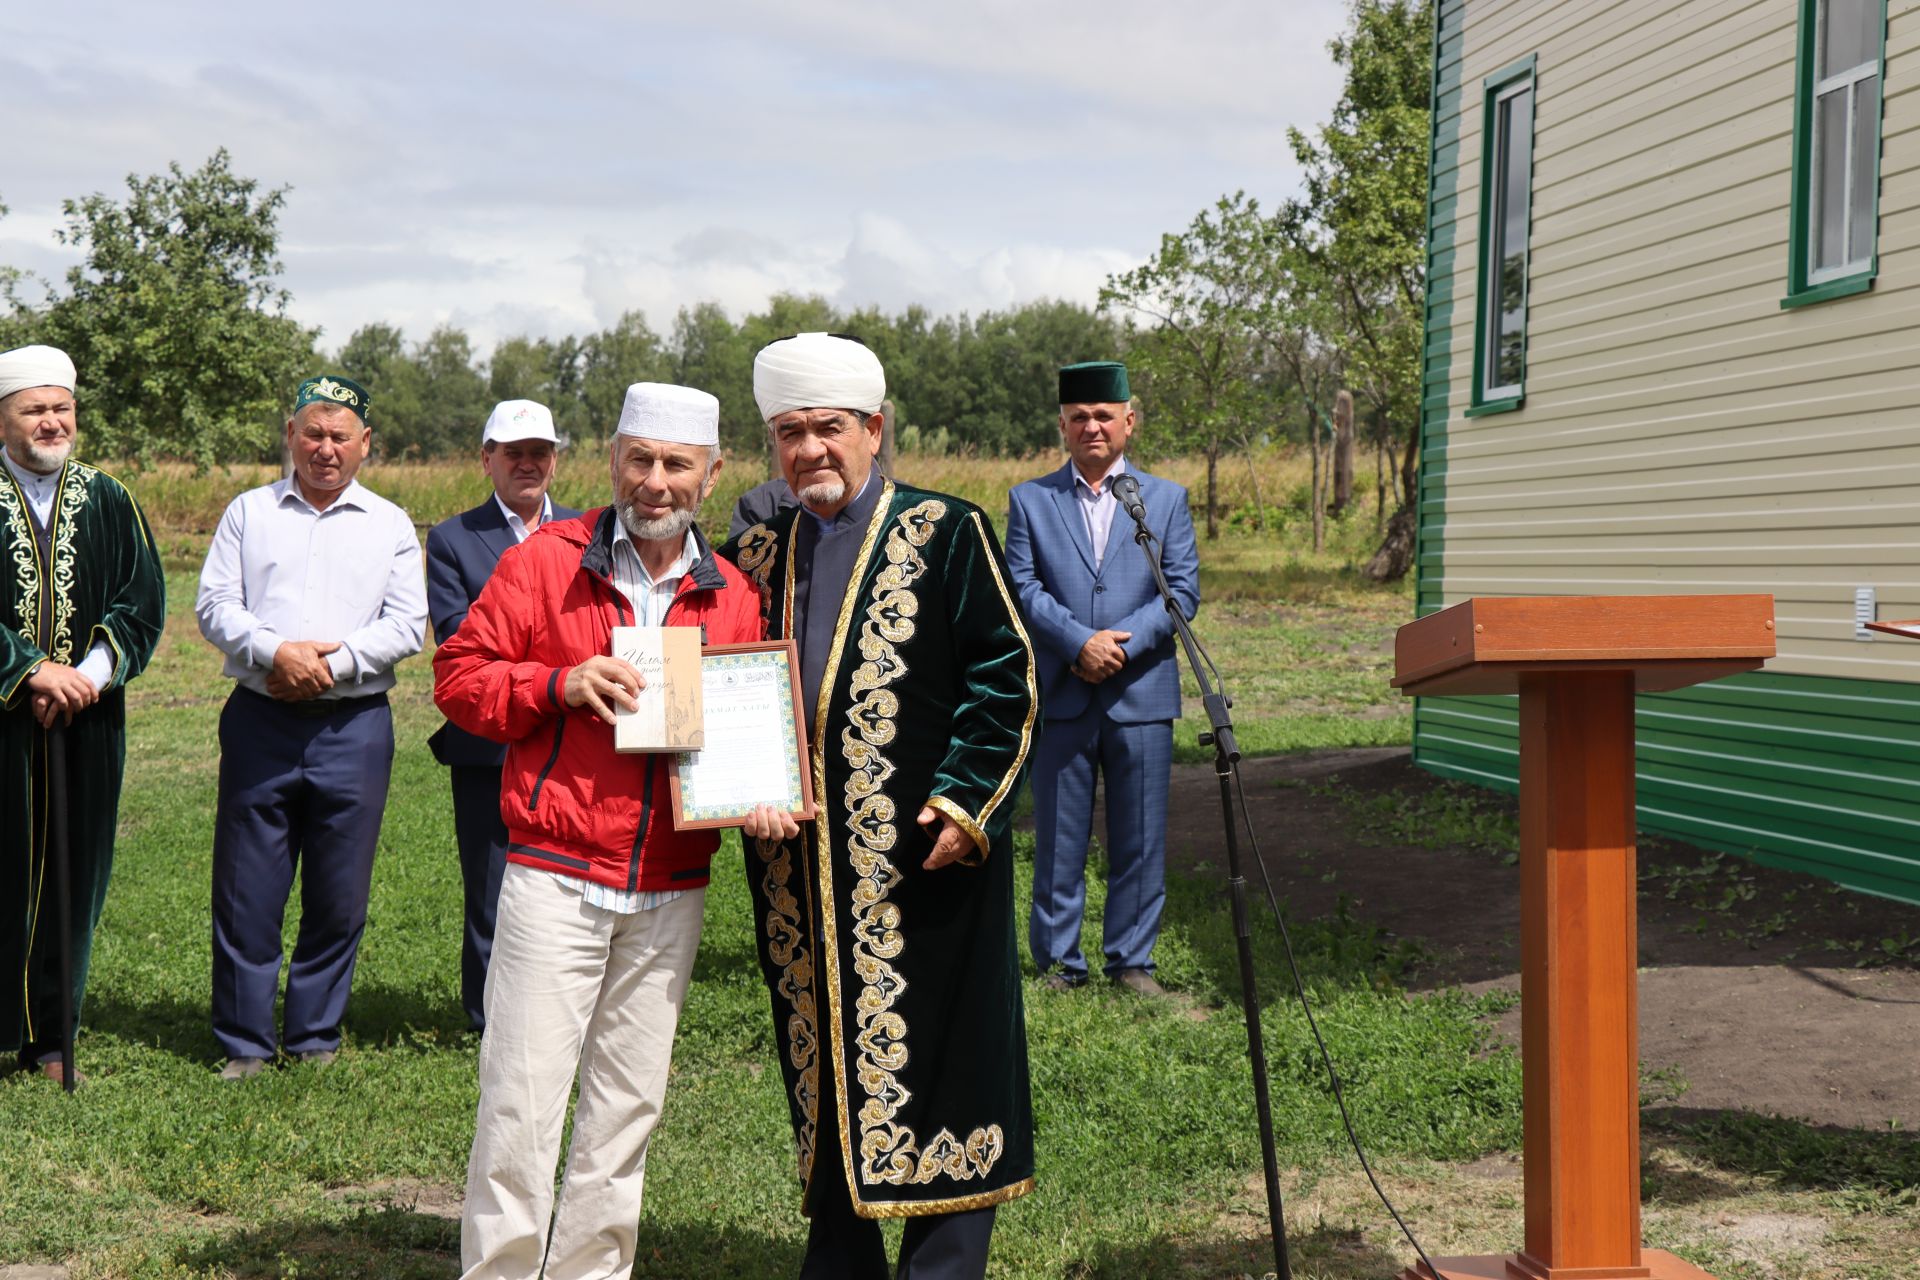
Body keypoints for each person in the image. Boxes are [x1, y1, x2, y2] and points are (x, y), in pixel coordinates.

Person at [434, 382, 763, 1280]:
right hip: (556, 871)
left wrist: (761, 792)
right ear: (613, 458)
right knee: (521, 1105)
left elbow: (742, 730)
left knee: (625, 1114)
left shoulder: (729, 593)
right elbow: (459, 676)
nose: (656, 483)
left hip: (670, 887)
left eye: (677, 466)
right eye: (640, 460)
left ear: (712, 473)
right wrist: (554, 687)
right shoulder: (547, 560)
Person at [728, 333, 1038, 1280]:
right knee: (821, 1063)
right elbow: (723, 681)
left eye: (830, 429)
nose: (811, 451)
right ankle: (841, 1257)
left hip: (925, 861)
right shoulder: (753, 551)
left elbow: (1005, 672)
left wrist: (963, 802)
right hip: (796, 869)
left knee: (945, 1063)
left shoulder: (946, 530)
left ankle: (942, 1264)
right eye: (790, 433)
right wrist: (743, 786)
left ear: (873, 429)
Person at [195, 374, 427, 1080]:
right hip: (262, 718)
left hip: (353, 725)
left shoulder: (388, 523)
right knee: (247, 885)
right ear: (291, 437)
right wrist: (276, 653)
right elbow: (214, 604)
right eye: (313, 434)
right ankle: (244, 1042)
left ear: (365, 446)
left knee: (339, 887)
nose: (325, 449)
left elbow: (408, 623)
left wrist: (333, 665)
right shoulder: (248, 513)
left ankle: (315, 1033)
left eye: (340, 437)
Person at [1004, 361, 1200, 996]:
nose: (1093, 426)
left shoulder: (1164, 499)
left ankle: (1132, 961)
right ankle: (1061, 963)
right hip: (1063, 693)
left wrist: (1118, 645)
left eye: (1104, 416)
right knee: (1060, 837)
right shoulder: (1031, 500)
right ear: (1062, 425)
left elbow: (1181, 592)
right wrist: (1076, 643)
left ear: (1128, 423)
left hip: (1140, 692)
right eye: (1080, 417)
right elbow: (1022, 587)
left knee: (1140, 836)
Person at [0, 344, 165, 1085]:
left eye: (61, 408)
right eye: (35, 408)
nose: (51, 421)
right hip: (2, 724)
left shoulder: (110, 498)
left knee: (75, 871)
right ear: (2, 417)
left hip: (87, 723)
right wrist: (29, 668)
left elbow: (142, 601)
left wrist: (85, 676)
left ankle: (52, 1034)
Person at [424, 399, 579, 1032]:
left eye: (538, 452)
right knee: (491, 882)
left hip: (573, 735)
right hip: (488, 741)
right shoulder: (453, 539)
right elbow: (462, 641)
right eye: (512, 453)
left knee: (568, 881)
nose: (526, 464)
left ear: (554, 459)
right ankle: (492, 1016)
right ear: (487, 458)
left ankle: (561, 1006)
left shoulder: (588, 531)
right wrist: (560, 660)